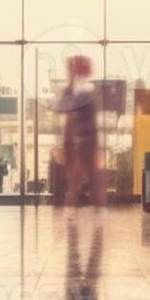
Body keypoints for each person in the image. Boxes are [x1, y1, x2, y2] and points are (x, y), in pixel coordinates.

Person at [56, 55, 103, 207]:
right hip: (79, 141)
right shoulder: (80, 90)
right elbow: (64, 110)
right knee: (79, 181)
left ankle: (83, 216)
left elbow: (65, 110)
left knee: (83, 180)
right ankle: (86, 216)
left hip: (83, 141)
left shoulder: (86, 91)